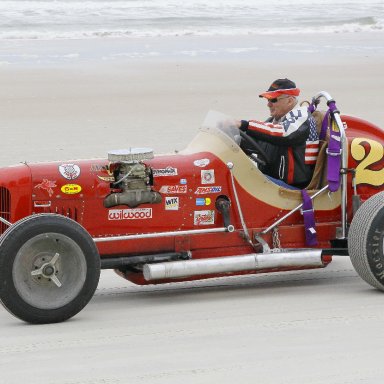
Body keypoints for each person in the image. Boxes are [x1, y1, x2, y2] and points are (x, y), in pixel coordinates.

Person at [238, 78, 319, 189]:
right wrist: (235, 137)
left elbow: (284, 133)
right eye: (268, 100)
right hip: (272, 181)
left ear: (290, 101)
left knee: (246, 181)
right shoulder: (275, 120)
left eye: (273, 100)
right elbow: (257, 140)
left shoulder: (302, 116)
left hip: (293, 188)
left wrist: (244, 124)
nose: (269, 105)